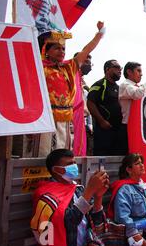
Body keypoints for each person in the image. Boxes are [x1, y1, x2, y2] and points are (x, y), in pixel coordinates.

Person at [37, 21, 105, 157]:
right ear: (46, 50)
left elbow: (86, 50)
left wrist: (100, 33)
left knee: (62, 155)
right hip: (45, 120)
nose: (61, 52)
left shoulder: (69, 67)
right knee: (43, 155)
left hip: (65, 120)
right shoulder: (38, 67)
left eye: (63, 49)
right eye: (57, 48)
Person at [30, 149, 109, 246]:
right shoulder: (45, 196)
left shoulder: (78, 189)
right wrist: (90, 190)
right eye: (69, 164)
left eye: (74, 162)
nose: (74, 166)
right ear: (56, 170)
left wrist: (98, 197)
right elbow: (68, 223)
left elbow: (96, 223)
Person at [107, 154, 146, 246]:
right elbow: (122, 217)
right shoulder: (124, 189)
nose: (142, 165)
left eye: (142, 163)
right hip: (136, 237)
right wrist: (136, 237)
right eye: (137, 163)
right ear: (129, 169)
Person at [87, 59, 126, 156]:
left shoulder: (119, 87)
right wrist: (101, 121)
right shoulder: (99, 85)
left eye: (120, 68)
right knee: (102, 159)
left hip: (118, 131)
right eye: (116, 67)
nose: (120, 70)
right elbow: (90, 103)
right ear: (107, 69)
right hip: (103, 131)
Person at [72, 53, 92, 156]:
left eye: (90, 61)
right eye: (86, 60)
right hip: (70, 122)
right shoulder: (70, 76)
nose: (88, 63)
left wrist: (89, 124)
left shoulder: (83, 83)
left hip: (83, 123)